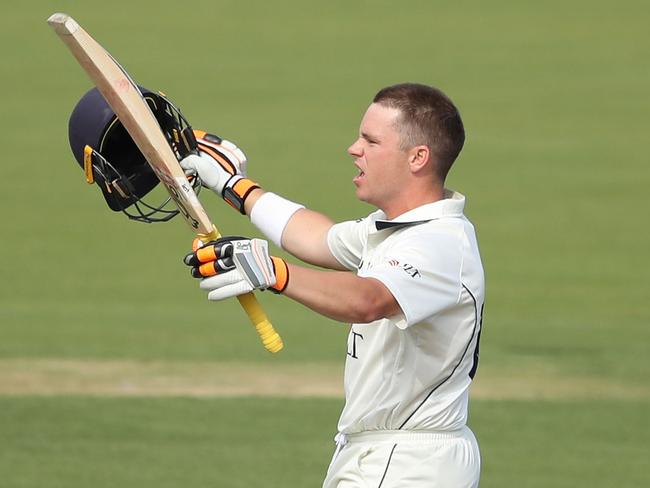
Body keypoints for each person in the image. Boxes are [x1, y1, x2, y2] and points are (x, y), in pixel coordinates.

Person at [181, 83, 485, 487]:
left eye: (371, 140)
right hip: (390, 455)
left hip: (407, 463)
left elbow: (369, 299)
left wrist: (274, 273)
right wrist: (233, 186)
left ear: (418, 157)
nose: (353, 148)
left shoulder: (440, 243)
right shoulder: (395, 229)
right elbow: (316, 238)